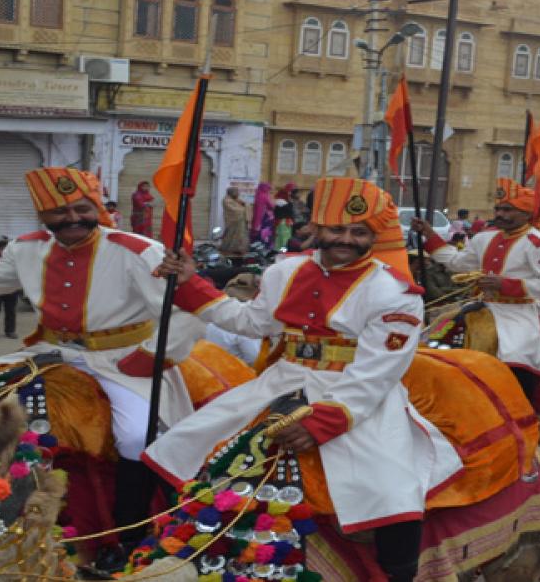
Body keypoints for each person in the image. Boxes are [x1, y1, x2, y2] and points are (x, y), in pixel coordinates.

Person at [150, 177, 462, 582]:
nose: (345, 239)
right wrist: (191, 283)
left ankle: (400, 574)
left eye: (358, 232)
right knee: (182, 443)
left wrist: (321, 422)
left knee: (392, 490)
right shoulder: (285, 271)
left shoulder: (396, 292)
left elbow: (377, 372)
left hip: (357, 396)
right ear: (316, 228)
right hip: (281, 383)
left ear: (374, 235)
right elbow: (251, 322)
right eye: (336, 229)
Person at [0, 167, 205, 571]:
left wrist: (152, 355)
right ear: (41, 217)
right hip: (50, 353)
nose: (71, 218)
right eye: (57, 212)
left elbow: (188, 311)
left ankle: (128, 538)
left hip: (122, 361)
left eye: (80, 208)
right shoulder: (26, 248)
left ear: (97, 207)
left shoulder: (137, 250)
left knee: (136, 437)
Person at [411, 178, 540, 398]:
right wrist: (429, 235)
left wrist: (506, 285)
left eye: (508, 209)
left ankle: (519, 407)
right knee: (435, 338)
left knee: (517, 355)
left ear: (527, 214)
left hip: (520, 314)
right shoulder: (484, 238)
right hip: (482, 307)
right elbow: (458, 263)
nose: (500, 214)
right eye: (498, 209)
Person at [201, 272, 262, 365]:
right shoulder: (246, 317)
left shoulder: (213, 311)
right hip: (235, 374)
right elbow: (254, 358)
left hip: (207, 370)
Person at [219, 186, 249, 255]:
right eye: (237, 192)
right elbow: (233, 210)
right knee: (230, 235)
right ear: (232, 192)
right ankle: (228, 249)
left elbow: (245, 205)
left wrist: (244, 205)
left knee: (240, 235)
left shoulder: (235, 199)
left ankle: (238, 248)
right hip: (232, 221)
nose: (238, 194)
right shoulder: (226, 200)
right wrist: (243, 209)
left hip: (239, 221)